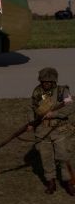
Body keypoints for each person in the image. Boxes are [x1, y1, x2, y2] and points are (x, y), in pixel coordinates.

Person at [27, 67, 75, 195]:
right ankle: (50, 182)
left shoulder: (63, 91)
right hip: (42, 131)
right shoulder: (38, 92)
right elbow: (31, 108)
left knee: (63, 156)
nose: (45, 84)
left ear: (54, 81)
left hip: (59, 130)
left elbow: (70, 107)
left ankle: (69, 182)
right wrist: (31, 122)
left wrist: (55, 114)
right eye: (43, 81)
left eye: (48, 81)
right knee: (46, 157)